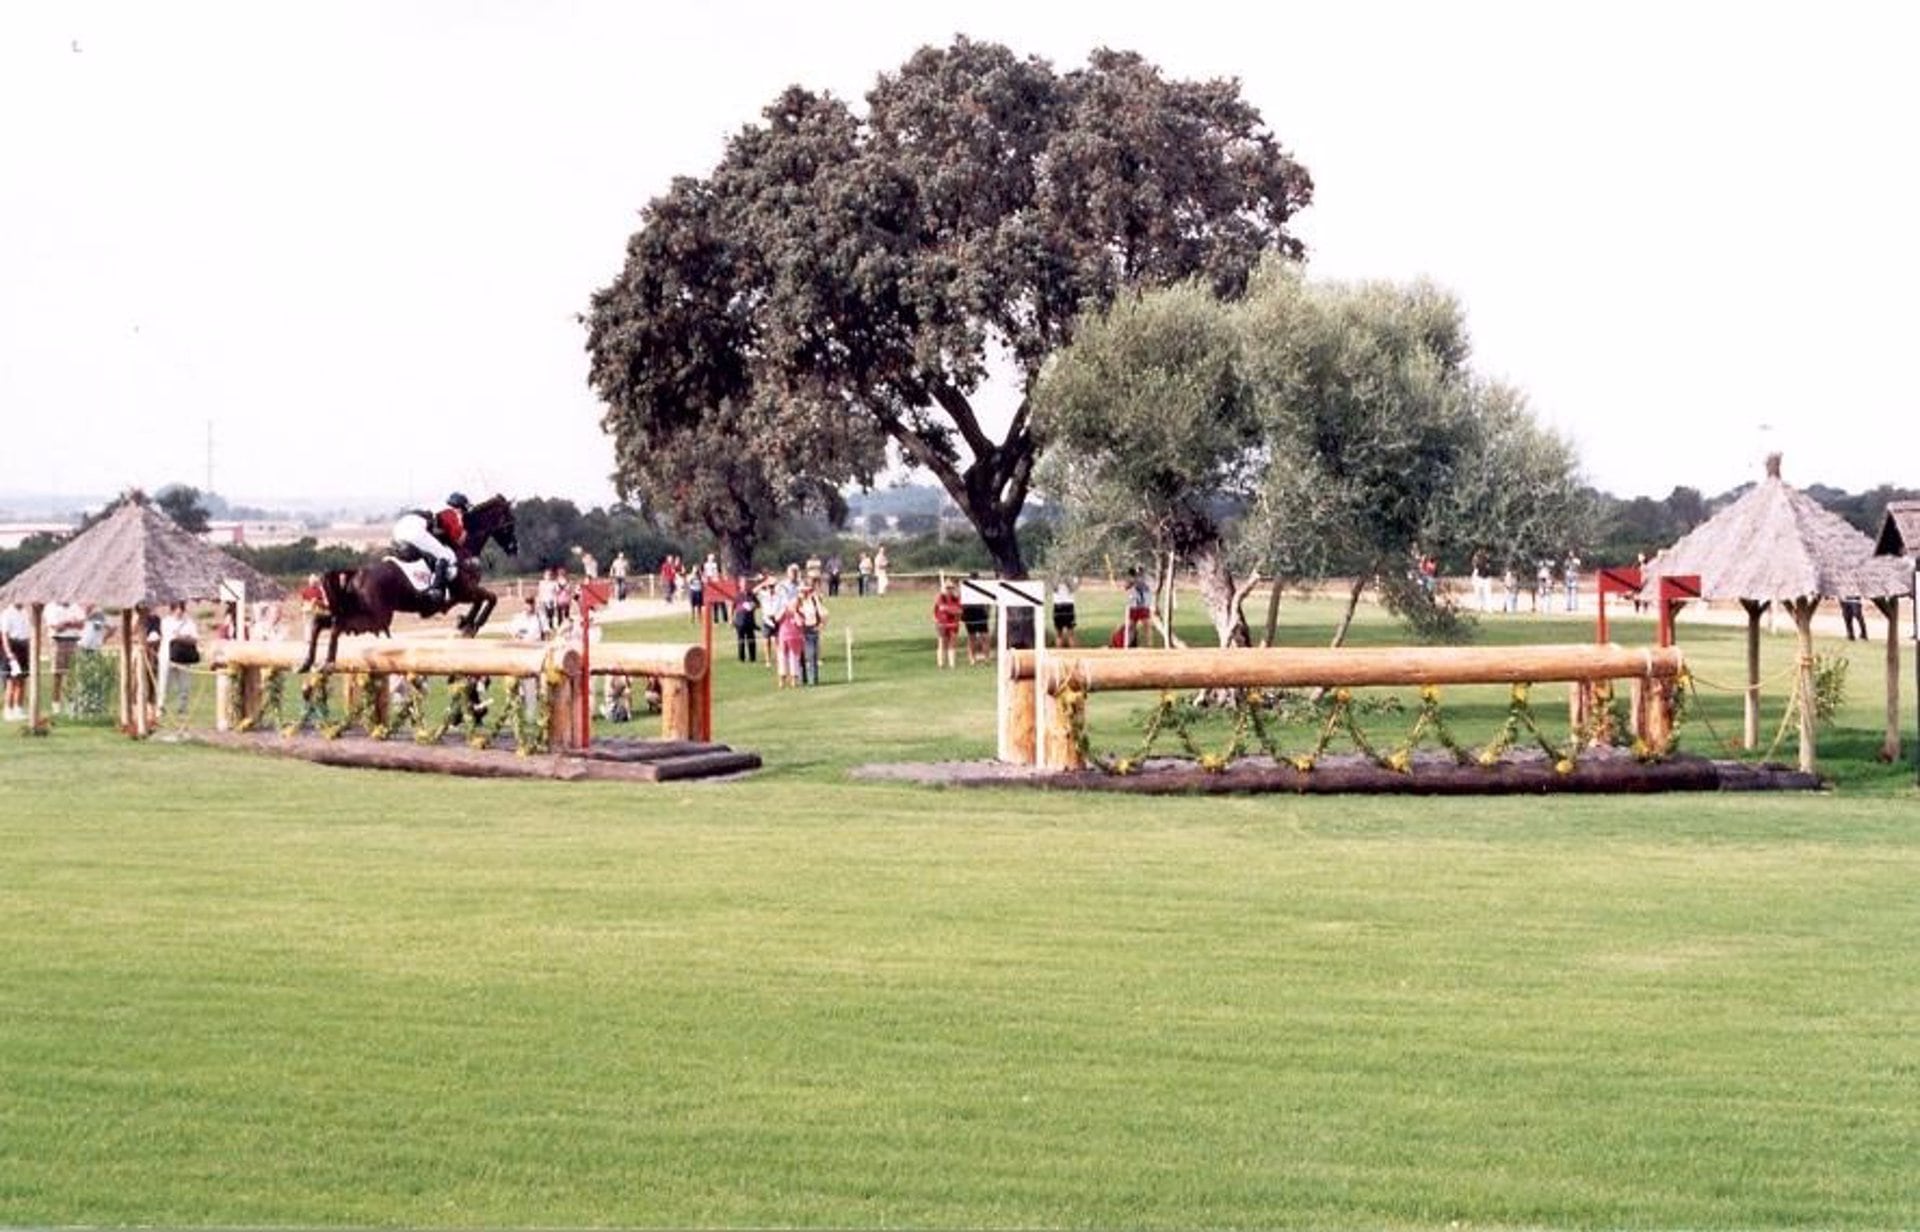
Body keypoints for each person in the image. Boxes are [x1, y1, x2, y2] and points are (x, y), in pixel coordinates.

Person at [391, 493, 468, 605]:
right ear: (460, 507)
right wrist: (465, 531)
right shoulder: (450, 511)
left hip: (398, 528)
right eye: (463, 510)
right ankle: (436, 590)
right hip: (414, 530)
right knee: (446, 556)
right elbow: (458, 539)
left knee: (429, 552)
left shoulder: (435, 505)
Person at [156, 601, 200, 719]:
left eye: (181, 608)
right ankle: (160, 707)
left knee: (184, 684)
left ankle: (183, 708)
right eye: (177, 609)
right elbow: (168, 637)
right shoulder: (166, 622)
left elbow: (195, 638)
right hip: (167, 656)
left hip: (183, 657)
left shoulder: (189, 622)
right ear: (172, 609)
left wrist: (182, 637)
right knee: (164, 683)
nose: (179, 611)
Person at [46, 600, 83, 713]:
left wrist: (66, 624)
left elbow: (81, 624)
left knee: (72, 675)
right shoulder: (51, 607)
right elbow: (56, 627)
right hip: (58, 641)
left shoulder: (75, 605)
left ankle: (71, 706)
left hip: (73, 641)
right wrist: (70, 623)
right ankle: (56, 706)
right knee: (57, 675)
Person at [791, 581, 828, 685]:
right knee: (800, 656)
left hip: (811, 629)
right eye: (802, 591)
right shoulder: (796, 601)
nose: (804, 593)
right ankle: (803, 678)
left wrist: (821, 625)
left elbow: (824, 614)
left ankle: (813, 679)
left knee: (812, 655)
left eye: (806, 591)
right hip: (799, 630)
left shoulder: (814, 601)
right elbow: (791, 612)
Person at [2, 600, 31, 721]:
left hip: (24, 647)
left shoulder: (25, 612)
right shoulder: (7, 613)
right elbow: (4, 634)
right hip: (13, 647)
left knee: (22, 680)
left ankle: (18, 709)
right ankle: (8, 710)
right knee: (12, 681)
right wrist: (9, 652)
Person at [960, 574, 991, 665]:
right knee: (971, 637)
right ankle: (972, 659)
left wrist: (987, 611)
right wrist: (963, 613)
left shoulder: (982, 588)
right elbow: (962, 602)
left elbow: (988, 600)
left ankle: (986, 658)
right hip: (969, 612)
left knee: (984, 637)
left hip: (981, 612)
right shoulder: (966, 588)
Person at [932, 579, 963, 668]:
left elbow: (960, 610)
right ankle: (941, 663)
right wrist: (953, 610)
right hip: (942, 623)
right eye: (947, 588)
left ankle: (952, 663)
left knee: (952, 643)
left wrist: (950, 610)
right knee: (942, 642)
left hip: (953, 624)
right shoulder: (941, 597)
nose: (949, 589)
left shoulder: (956, 598)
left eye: (951, 588)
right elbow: (941, 608)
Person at [732, 580, 759, 662]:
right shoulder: (737, 595)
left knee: (751, 640)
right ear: (740, 585)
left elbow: (758, 604)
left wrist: (753, 605)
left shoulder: (752, 595)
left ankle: (752, 658)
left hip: (750, 621)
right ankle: (741, 658)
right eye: (743, 584)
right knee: (741, 640)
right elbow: (732, 607)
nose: (745, 586)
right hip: (740, 621)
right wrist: (731, 619)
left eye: (746, 584)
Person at [1124, 570, 1153, 648]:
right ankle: (1128, 644)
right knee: (1130, 626)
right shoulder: (1131, 581)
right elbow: (1126, 587)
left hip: (1143, 606)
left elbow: (1146, 588)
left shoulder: (1144, 581)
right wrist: (1131, 582)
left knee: (1146, 626)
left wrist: (1137, 582)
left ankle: (1149, 644)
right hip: (1133, 606)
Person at [1052, 578, 1078, 649]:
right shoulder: (1055, 574)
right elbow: (1054, 588)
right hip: (1058, 605)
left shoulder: (1073, 575)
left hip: (1069, 605)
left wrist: (1066, 580)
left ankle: (1073, 656)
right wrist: (1058, 578)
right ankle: (1058, 656)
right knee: (1058, 634)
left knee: (1071, 634)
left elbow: (1073, 588)